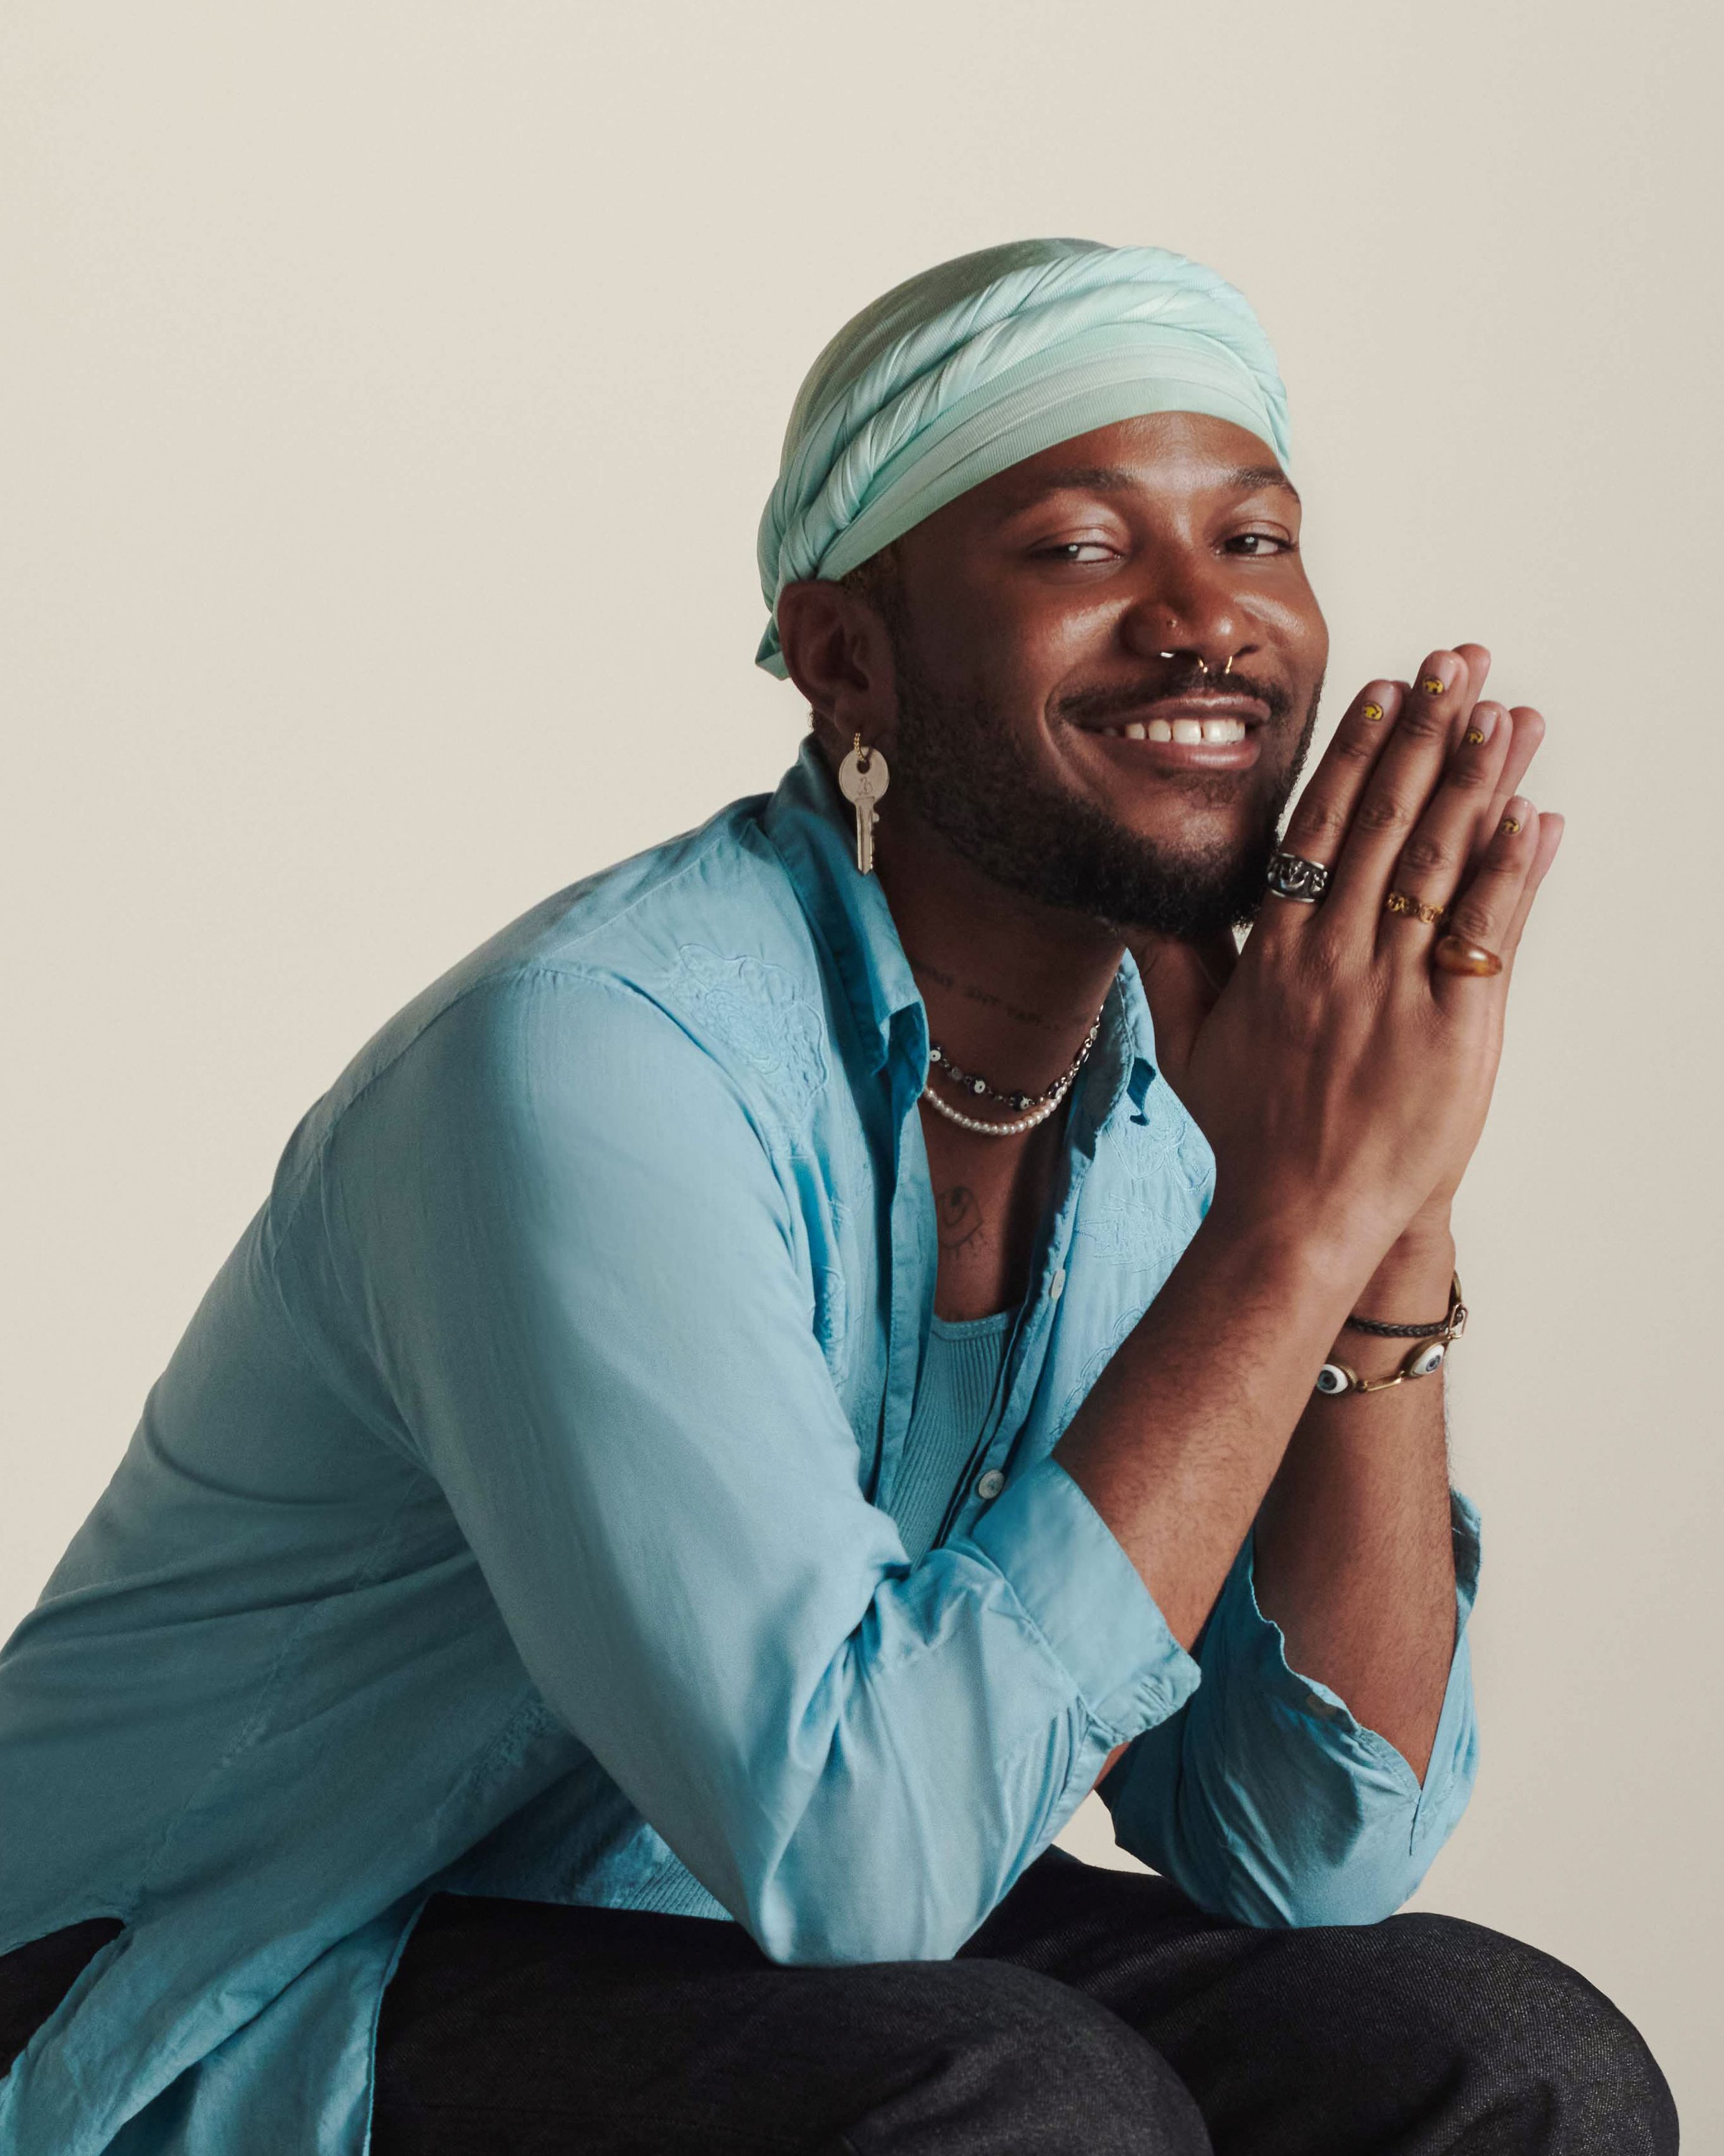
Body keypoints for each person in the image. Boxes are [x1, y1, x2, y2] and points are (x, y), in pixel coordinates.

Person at [0, 238, 1676, 2155]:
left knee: (1500, 2050)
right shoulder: (593, 1059)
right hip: (236, 1960)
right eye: (1077, 548)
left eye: (1257, 538)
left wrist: (1385, 1210)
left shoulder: (1188, 1091)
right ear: (841, 655)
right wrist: (1288, 1225)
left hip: (701, 1924)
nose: (1203, 620)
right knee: (1021, 2107)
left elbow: (1307, 1842)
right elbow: (858, 1859)